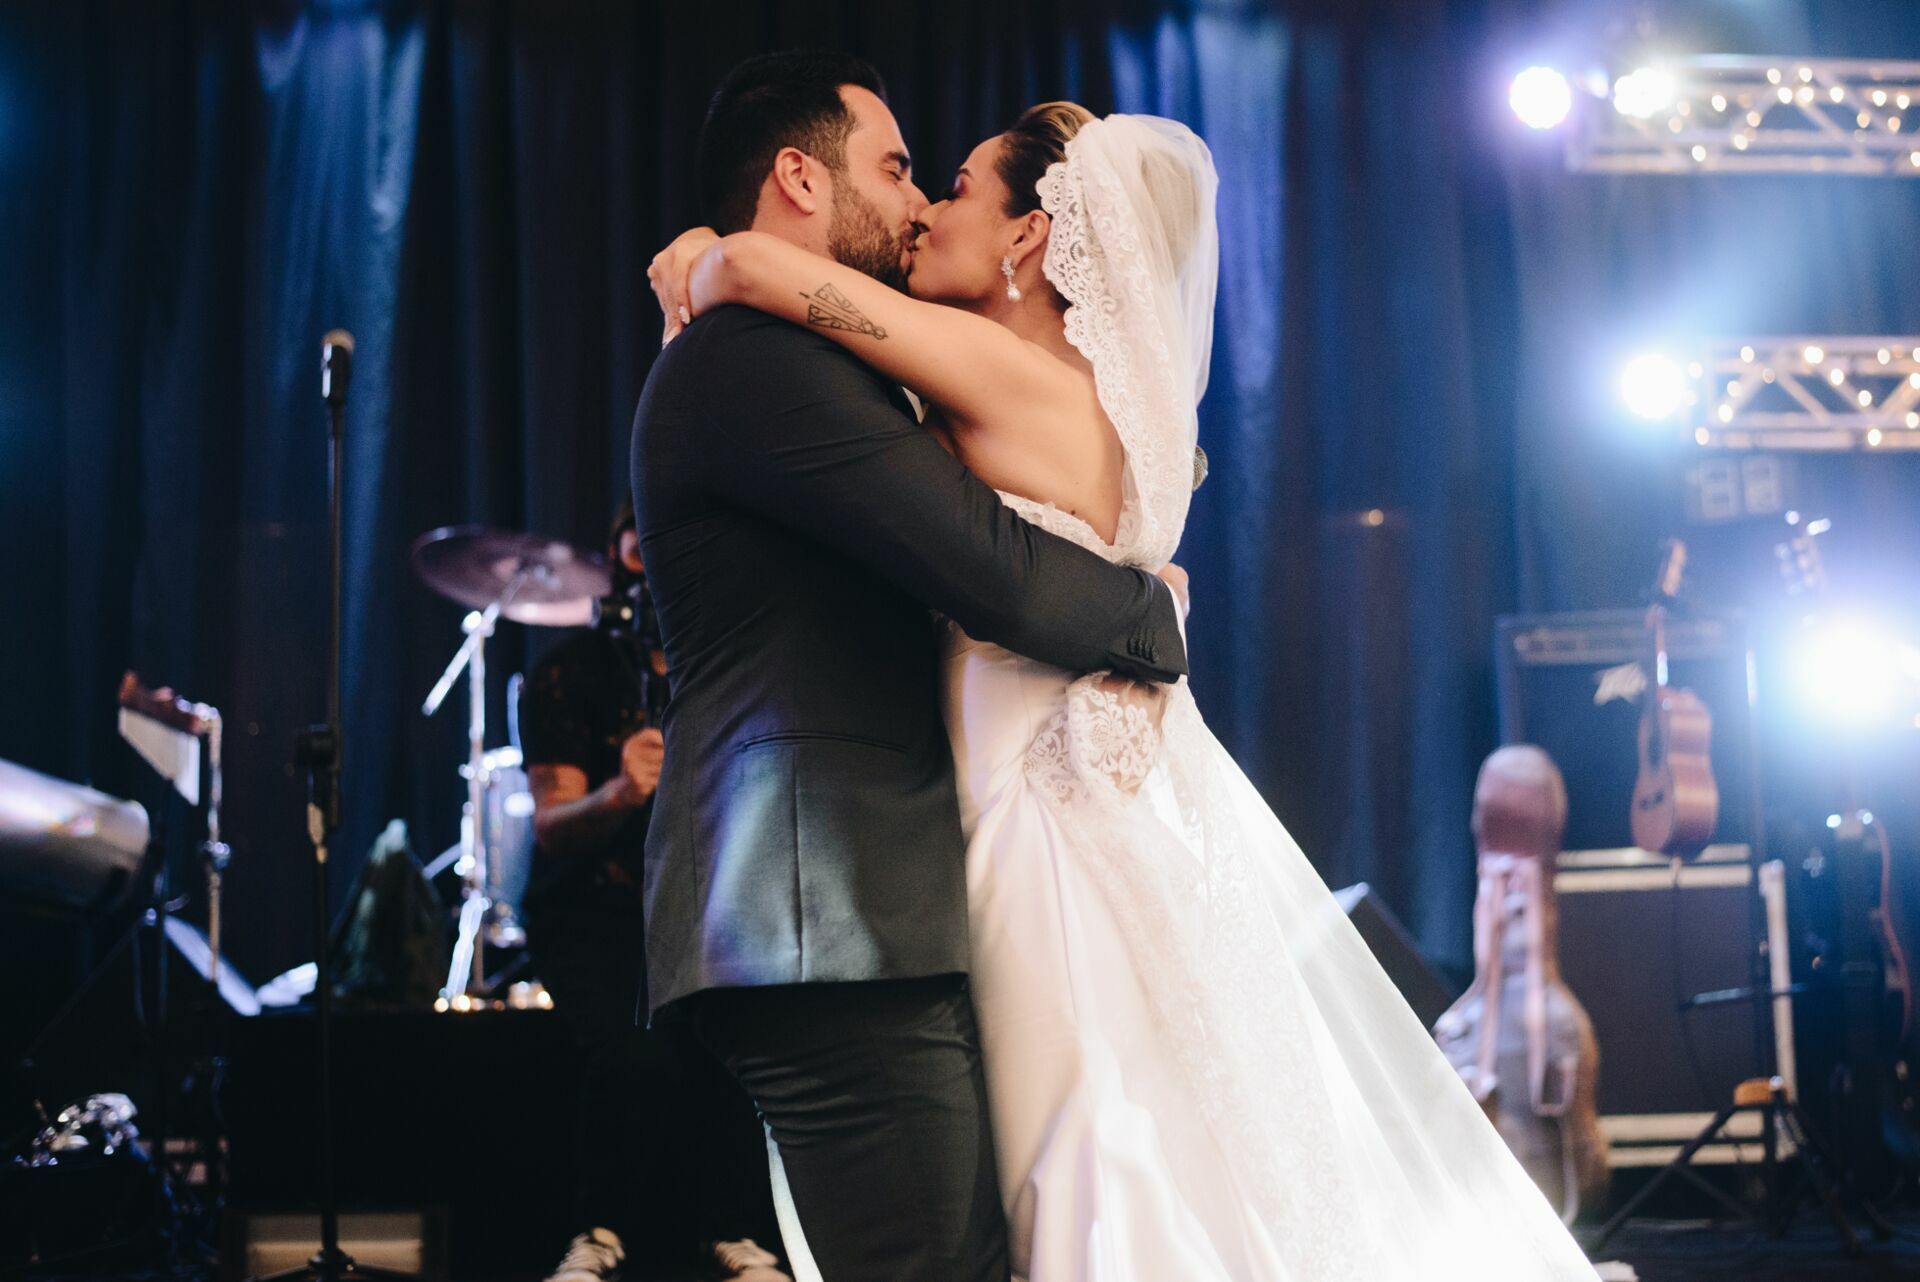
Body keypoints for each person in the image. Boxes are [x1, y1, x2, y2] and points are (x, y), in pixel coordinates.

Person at [650, 87, 1605, 1281]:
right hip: (1067, 807)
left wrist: (706, 260)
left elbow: (778, 283)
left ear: (1027, 237)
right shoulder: (1086, 397)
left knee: (1088, 1152)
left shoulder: (996, 369)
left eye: (945, 187)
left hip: (1034, 828)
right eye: (907, 174)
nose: (920, 211)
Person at [628, 51, 1192, 1282]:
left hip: (861, 908)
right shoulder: (753, 362)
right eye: (892, 168)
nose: (917, 202)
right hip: (821, 911)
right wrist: (1160, 619)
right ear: (799, 177)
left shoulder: (817, 351)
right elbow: (999, 573)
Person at [520, 505, 789, 1282]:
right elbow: (549, 827)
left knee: (735, 1047)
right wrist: (617, 794)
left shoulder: (730, 665)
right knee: (632, 1056)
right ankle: (595, 1234)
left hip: (707, 907)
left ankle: (738, 1234)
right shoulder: (568, 673)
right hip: (595, 911)